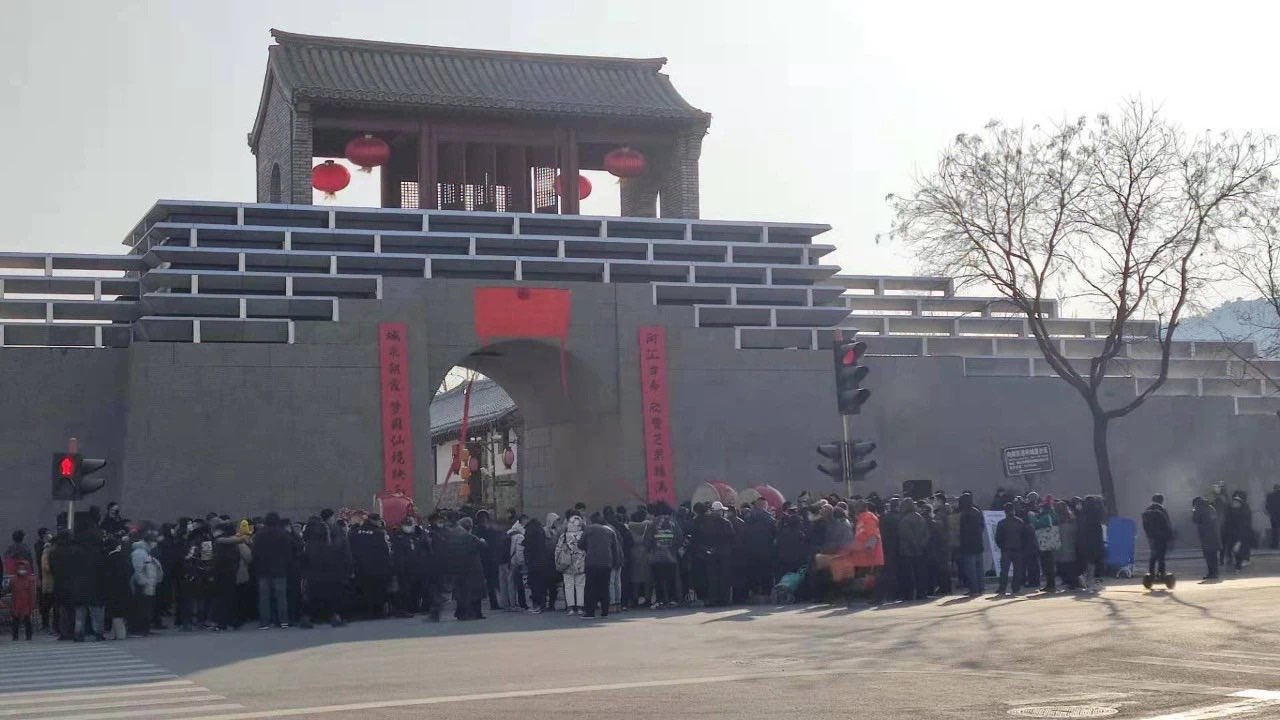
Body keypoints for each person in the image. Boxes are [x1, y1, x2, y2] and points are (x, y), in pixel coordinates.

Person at [253, 512, 294, 629]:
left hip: (263, 570)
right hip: (280, 570)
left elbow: (255, 553)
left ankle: (265, 622)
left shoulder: (259, 535)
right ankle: (283, 620)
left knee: (264, 598)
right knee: (281, 597)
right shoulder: (283, 534)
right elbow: (288, 554)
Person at [579, 513, 623, 618]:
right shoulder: (609, 531)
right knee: (604, 587)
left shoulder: (588, 529)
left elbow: (580, 544)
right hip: (606, 563)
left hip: (591, 562)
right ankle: (605, 611)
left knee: (590, 587)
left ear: (591, 521)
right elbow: (615, 548)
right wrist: (616, 562)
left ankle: (590, 612)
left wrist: (588, 548)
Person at [349, 513, 392, 620]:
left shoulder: (354, 533)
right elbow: (385, 552)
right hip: (376, 569)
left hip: (359, 569)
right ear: (375, 521)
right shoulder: (379, 533)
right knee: (377, 592)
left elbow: (349, 551)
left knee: (363, 592)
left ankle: (364, 613)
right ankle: (377, 613)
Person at [446, 516, 487, 620]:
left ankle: (461, 613)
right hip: (473, 567)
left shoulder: (454, 538)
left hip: (459, 568)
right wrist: (482, 541)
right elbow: (482, 547)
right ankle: (474, 613)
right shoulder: (470, 537)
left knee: (462, 592)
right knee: (474, 591)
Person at [646, 506, 683, 608]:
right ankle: (672, 599)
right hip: (671, 556)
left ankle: (660, 600)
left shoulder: (653, 523)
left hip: (656, 556)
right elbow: (680, 537)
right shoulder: (673, 523)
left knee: (658, 579)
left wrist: (652, 548)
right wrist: (674, 549)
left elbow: (647, 540)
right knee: (670, 579)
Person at [130, 530, 162, 637]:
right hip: (143, 585)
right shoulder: (140, 553)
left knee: (146, 607)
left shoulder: (146, 552)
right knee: (142, 607)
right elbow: (138, 570)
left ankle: (144, 628)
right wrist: (144, 582)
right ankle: (140, 629)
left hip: (148, 584)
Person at [897, 500, 930, 601]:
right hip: (920, 550)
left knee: (908, 574)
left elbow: (906, 535)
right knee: (920, 572)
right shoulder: (920, 517)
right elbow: (927, 534)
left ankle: (909, 595)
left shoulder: (904, 520)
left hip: (907, 550)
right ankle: (922, 593)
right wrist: (921, 544)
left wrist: (914, 544)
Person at [555, 514, 587, 615]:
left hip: (567, 564)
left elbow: (558, 550)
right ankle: (580, 607)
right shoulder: (583, 535)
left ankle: (570, 608)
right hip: (581, 564)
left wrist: (557, 562)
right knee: (580, 586)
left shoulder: (564, 536)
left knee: (568, 586)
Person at [955, 492, 984, 596]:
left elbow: (961, 529)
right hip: (978, 543)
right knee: (979, 569)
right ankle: (980, 588)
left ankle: (974, 589)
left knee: (971, 570)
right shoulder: (977, 511)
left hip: (967, 545)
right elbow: (982, 526)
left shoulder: (963, 514)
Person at [521, 516, 551, 614]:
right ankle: (542, 604)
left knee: (534, 584)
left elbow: (527, 545)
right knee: (541, 584)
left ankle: (537, 605)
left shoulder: (530, 530)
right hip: (543, 560)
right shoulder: (540, 530)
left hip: (533, 561)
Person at [994, 503, 1025, 596]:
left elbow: (997, 538)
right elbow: (1024, 536)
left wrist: (1002, 546)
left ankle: (1002, 588)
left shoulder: (1001, 523)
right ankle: (1016, 588)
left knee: (1004, 571)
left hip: (1006, 549)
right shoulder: (1020, 522)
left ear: (1005, 511)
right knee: (1017, 570)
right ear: (1013, 510)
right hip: (1018, 549)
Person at [1077, 496, 1106, 593]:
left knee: (1090, 563)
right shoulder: (1096, 513)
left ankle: (1087, 581)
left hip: (1085, 541)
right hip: (1097, 541)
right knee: (1098, 562)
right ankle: (1096, 583)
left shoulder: (1083, 514)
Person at [1141, 494, 1174, 583]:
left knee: (1153, 555)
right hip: (1162, 537)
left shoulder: (1147, 511)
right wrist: (1170, 536)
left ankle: (1151, 574)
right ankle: (1161, 573)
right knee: (1161, 556)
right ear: (1162, 501)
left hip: (1151, 537)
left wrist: (1149, 535)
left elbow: (1145, 525)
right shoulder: (1162, 510)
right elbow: (1167, 524)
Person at [1031, 501, 1060, 593]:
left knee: (1047, 565)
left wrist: (1032, 516)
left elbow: (1037, 524)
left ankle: (1050, 585)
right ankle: (1051, 584)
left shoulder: (1046, 516)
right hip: (1052, 543)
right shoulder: (1054, 515)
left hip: (1045, 544)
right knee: (1050, 564)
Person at [626, 510, 651, 608]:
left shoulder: (629, 527)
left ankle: (635, 599)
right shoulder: (647, 526)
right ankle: (647, 599)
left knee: (634, 577)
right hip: (646, 553)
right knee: (647, 577)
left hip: (633, 554)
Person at [1192, 496, 1221, 580]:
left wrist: (1194, 512)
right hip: (1214, 535)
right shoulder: (1210, 507)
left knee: (1208, 557)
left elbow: (1195, 519)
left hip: (1205, 536)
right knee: (1213, 556)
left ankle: (1212, 573)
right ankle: (1214, 573)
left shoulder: (1199, 508)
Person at [1224, 491, 1254, 571]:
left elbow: (1246, 523)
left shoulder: (1244, 510)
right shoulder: (1230, 509)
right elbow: (1227, 521)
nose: (1234, 503)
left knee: (1241, 547)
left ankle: (1242, 561)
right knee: (1233, 547)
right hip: (1232, 532)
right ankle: (1234, 561)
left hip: (1242, 532)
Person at [504, 518, 528, 611]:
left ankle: (509, 603)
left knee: (509, 582)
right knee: (516, 583)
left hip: (507, 560)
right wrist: (522, 562)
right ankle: (515, 604)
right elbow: (519, 551)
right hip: (515, 561)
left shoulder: (509, 533)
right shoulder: (519, 536)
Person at [10, 559, 36, 640]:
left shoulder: (29, 580)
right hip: (16, 602)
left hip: (26, 602)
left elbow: (32, 593)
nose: (21, 570)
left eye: (23, 568)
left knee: (27, 619)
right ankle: (15, 636)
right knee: (15, 620)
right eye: (20, 568)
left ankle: (28, 636)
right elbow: (11, 591)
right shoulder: (14, 580)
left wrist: (32, 604)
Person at [1267, 484, 1280, 550]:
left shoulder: (1270, 496)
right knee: (1275, 530)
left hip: (1273, 516)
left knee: (1275, 531)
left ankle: (1275, 545)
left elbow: (1267, 506)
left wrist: (1269, 513)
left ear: (1274, 489)